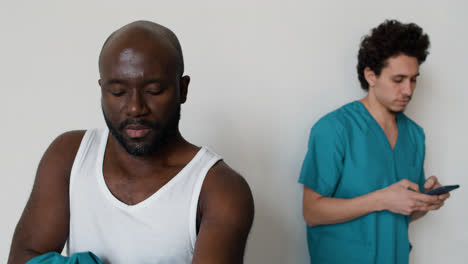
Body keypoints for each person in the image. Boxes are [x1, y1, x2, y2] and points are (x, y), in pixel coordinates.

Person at [8, 20, 254, 264]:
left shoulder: (220, 190)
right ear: (102, 89)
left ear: (183, 89)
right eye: (118, 92)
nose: (135, 108)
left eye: (154, 90)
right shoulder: (69, 156)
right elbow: (23, 257)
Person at [299, 20, 450, 264]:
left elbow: (401, 214)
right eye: (398, 79)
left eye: (413, 79)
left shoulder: (414, 135)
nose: (408, 90)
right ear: (371, 75)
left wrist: (425, 201)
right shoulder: (334, 129)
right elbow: (312, 212)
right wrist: (382, 199)